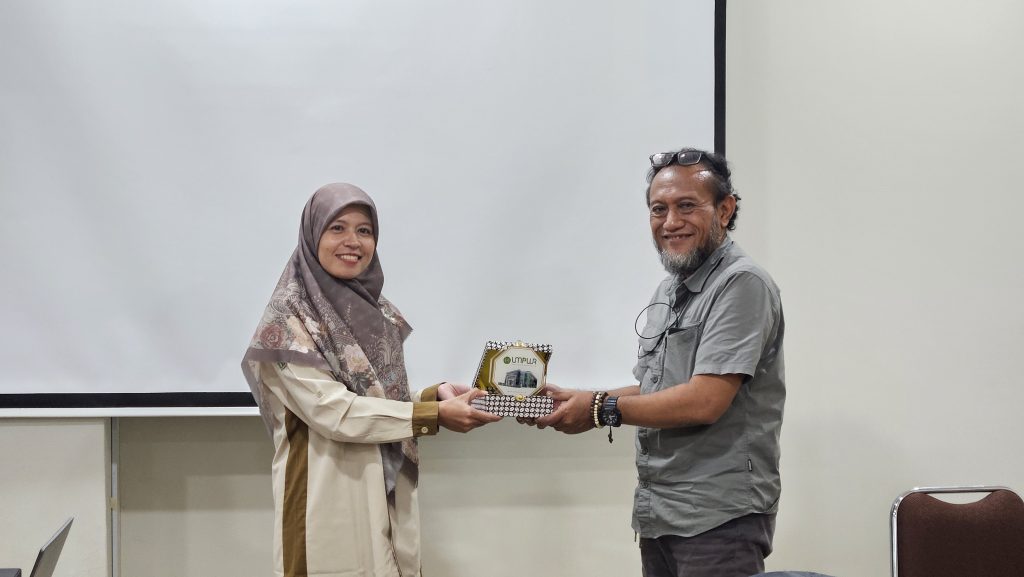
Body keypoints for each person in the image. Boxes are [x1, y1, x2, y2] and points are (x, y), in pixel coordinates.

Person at [535, 148, 785, 577]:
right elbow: (658, 388)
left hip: (718, 519)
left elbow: (704, 400)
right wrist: (579, 398)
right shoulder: (668, 291)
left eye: (686, 206)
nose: (670, 222)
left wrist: (597, 409)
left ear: (725, 210)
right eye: (658, 209)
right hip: (661, 512)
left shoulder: (742, 284)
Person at [241, 183, 500, 577]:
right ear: (312, 235)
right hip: (322, 492)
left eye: (364, 230)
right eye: (337, 228)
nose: (353, 241)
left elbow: (377, 394)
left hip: (382, 485)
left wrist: (433, 398)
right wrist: (431, 416)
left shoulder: (375, 312)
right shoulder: (286, 323)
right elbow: (333, 411)